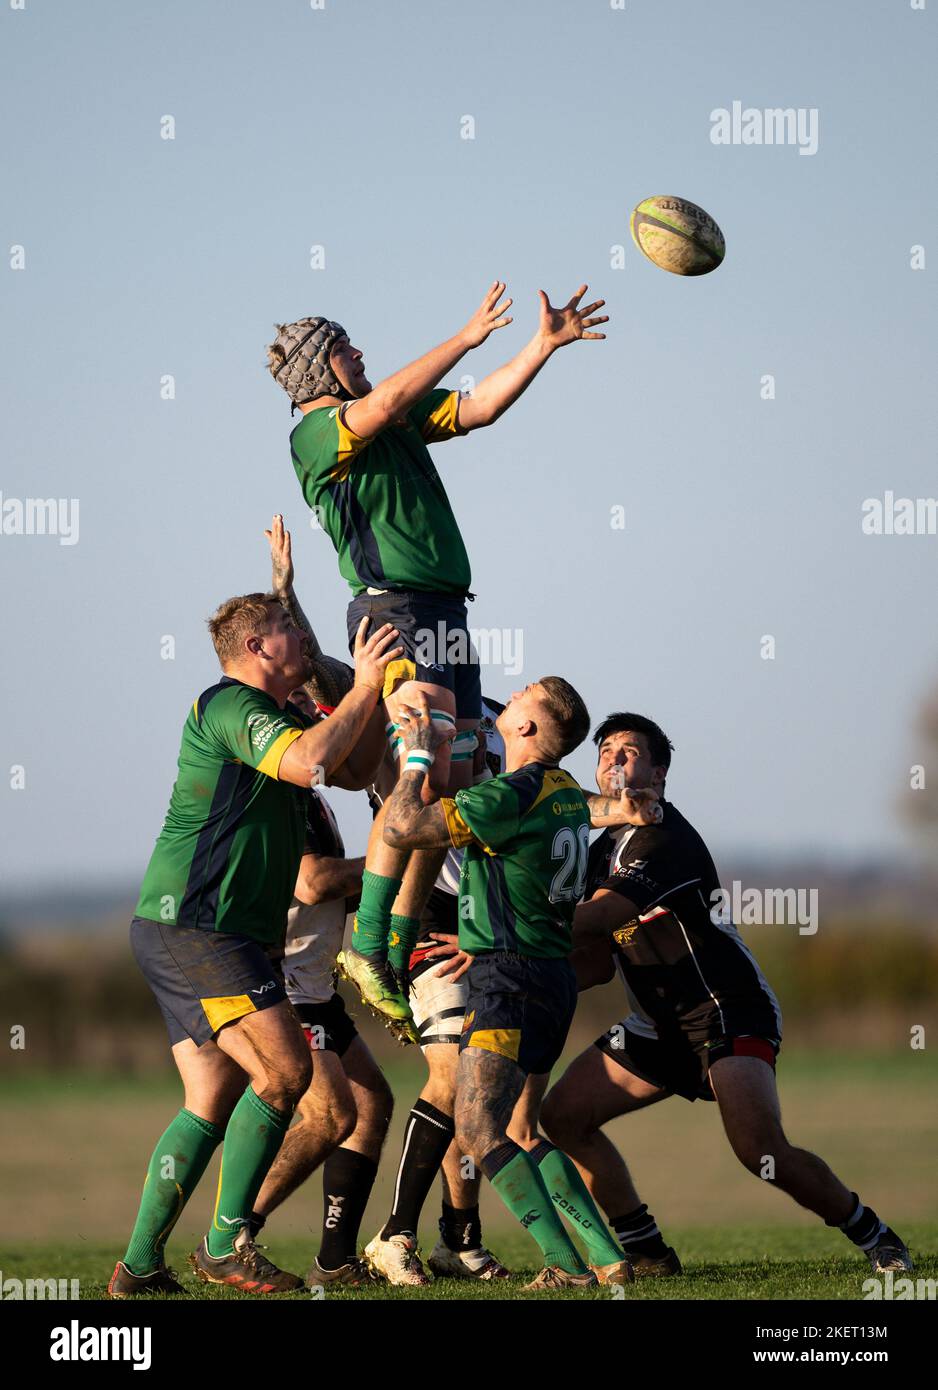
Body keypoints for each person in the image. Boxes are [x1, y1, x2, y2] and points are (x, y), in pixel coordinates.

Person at [266, 283, 609, 1029]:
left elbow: (477, 407)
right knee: (419, 780)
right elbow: (385, 403)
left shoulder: (387, 414)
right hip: (394, 610)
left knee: (447, 794)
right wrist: (464, 335)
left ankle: (389, 941)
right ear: (323, 367)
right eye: (347, 346)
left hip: (446, 613)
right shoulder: (318, 433)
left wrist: (541, 347)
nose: (361, 353)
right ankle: (368, 945)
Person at [540, 712, 914, 1278]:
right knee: (563, 1116)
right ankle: (647, 1251)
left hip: (724, 1009)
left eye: (630, 750)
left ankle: (874, 1234)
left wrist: (504, 929)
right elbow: (592, 961)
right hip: (656, 1025)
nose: (614, 757)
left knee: (759, 1150)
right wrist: (512, 973)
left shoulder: (663, 838)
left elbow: (603, 917)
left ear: (660, 774)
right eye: (606, 749)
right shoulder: (597, 852)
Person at [107, 577, 401, 1297]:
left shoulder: (275, 709)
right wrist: (363, 684)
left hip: (193, 930)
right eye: (289, 628)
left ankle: (140, 1267)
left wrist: (371, 696)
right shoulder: (230, 703)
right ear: (254, 647)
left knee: (212, 1097)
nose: (303, 638)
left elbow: (353, 767)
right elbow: (309, 763)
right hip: (199, 926)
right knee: (286, 1073)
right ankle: (222, 1245)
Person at [378, 681, 661, 1291]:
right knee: (519, 1131)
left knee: (477, 1131)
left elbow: (402, 830)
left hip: (507, 980)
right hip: (552, 980)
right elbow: (590, 805)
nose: (510, 694)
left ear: (528, 730)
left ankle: (565, 1265)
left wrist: (418, 755)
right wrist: (625, 808)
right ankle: (608, 1259)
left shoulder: (510, 794)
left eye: (524, 695)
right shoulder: (558, 788)